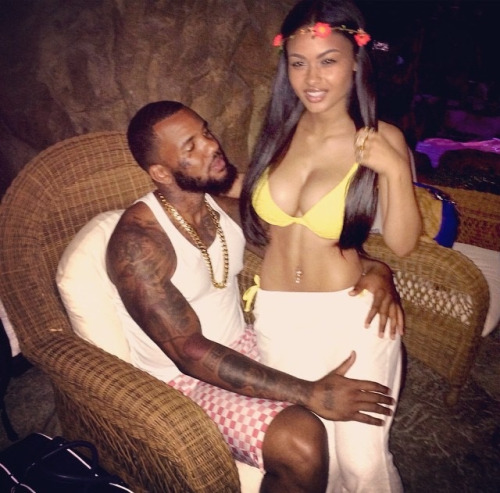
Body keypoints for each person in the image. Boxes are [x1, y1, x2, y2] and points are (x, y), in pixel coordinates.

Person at [106, 100, 404, 493]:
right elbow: (188, 353)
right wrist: (309, 392)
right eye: (191, 147)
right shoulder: (137, 244)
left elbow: (299, 246)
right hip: (182, 380)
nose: (212, 146)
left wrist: (374, 268)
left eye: (205, 132)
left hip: (242, 343)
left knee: (341, 365)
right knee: (301, 443)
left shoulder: (217, 208)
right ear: (161, 172)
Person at [239, 1, 422, 492]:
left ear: (357, 60)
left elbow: (403, 242)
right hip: (279, 317)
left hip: (353, 317)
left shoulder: (379, 138)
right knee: (315, 458)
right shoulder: (277, 133)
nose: (312, 78)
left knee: (363, 464)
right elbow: (245, 201)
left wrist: (395, 170)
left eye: (328, 60)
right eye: (298, 62)